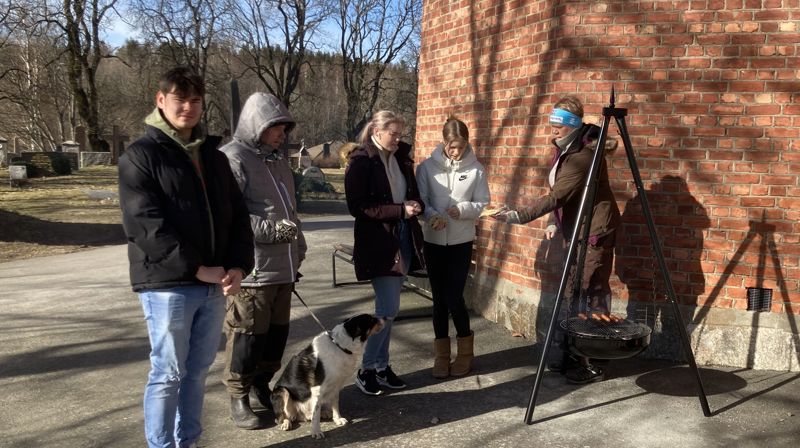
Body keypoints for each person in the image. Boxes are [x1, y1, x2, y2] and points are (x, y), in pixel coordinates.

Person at [118, 66, 254, 448]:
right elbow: (145, 225)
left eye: (196, 100)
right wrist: (197, 269)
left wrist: (239, 265)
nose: (189, 107)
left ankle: (189, 441)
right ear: (161, 100)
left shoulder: (214, 156)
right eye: (181, 99)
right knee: (168, 373)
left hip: (215, 283)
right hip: (168, 286)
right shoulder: (140, 157)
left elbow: (238, 214)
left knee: (196, 373)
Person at [494, 95, 620, 384]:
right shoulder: (565, 150)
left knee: (591, 291)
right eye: (551, 122)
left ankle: (595, 361)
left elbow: (558, 195)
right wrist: (553, 220)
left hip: (594, 232)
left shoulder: (583, 155)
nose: (553, 129)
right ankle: (574, 353)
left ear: (574, 126)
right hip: (574, 229)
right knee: (573, 291)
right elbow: (563, 195)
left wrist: (518, 215)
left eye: (559, 124)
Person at [218, 92, 307, 429]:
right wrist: (277, 231)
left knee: (276, 335)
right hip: (252, 270)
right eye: (276, 128)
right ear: (258, 125)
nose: (282, 135)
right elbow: (230, 217)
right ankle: (238, 396)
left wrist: (298, 247)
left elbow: (291, 214)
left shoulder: (277, 160)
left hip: (283, 268)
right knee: (247, 336)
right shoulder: (233, 158)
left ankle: (260, 384)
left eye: (284, 129)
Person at [344, 110, 426, 396]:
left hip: (403, 238)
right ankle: (366, 369)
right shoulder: (361, 160)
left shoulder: (402, 159)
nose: (398, 139)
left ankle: (380, 366)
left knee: (389, 311)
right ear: (377, 132)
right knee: (387, 310)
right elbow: (358, 206)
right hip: (378, 242)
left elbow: (412, 193)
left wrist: (416, 205)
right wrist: (399, 210)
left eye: (401, 134)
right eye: (394, 133)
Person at [415, 116, 490, 378]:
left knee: (455, 298)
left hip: (460, 241)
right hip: (434, 241)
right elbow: (421, 201)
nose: (456, 152)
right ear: (443, 142)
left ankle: (465, 353)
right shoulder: (426, 168)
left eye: (461, 146)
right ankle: (441, 355)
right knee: (438, 300)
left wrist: (464, 209)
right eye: (451, 146)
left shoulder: (477, 169)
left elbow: (483, 202)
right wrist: (432, 215)